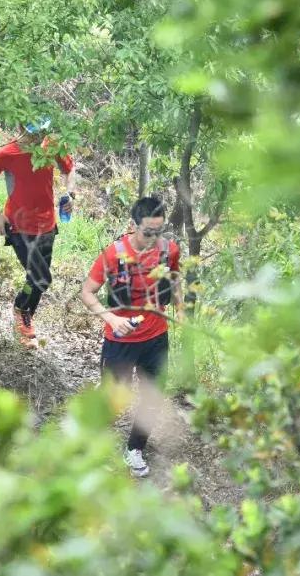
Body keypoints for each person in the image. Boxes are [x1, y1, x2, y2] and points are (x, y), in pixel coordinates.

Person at [79, 195, 183, 477]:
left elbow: (174, 280)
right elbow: (87, 293)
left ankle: (135, 448)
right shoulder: (113, 254)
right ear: (132, 225)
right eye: (147, 232)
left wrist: (180, 308)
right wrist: (111, 318)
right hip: (120, 342)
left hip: (156, 338)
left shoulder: (168, 250)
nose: (153, 238)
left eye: (158, 232)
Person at [0, 117, 75, 347]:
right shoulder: (8, 153)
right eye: (34, 133)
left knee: (36, 280)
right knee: (42, 278)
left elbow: (69, 170)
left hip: (47, 225)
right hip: (19, 226)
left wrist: (70, 194)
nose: (39, 138)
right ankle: (22, 310)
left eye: (42, 132)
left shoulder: (51, 146)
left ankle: (23, 319)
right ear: (21, 128)